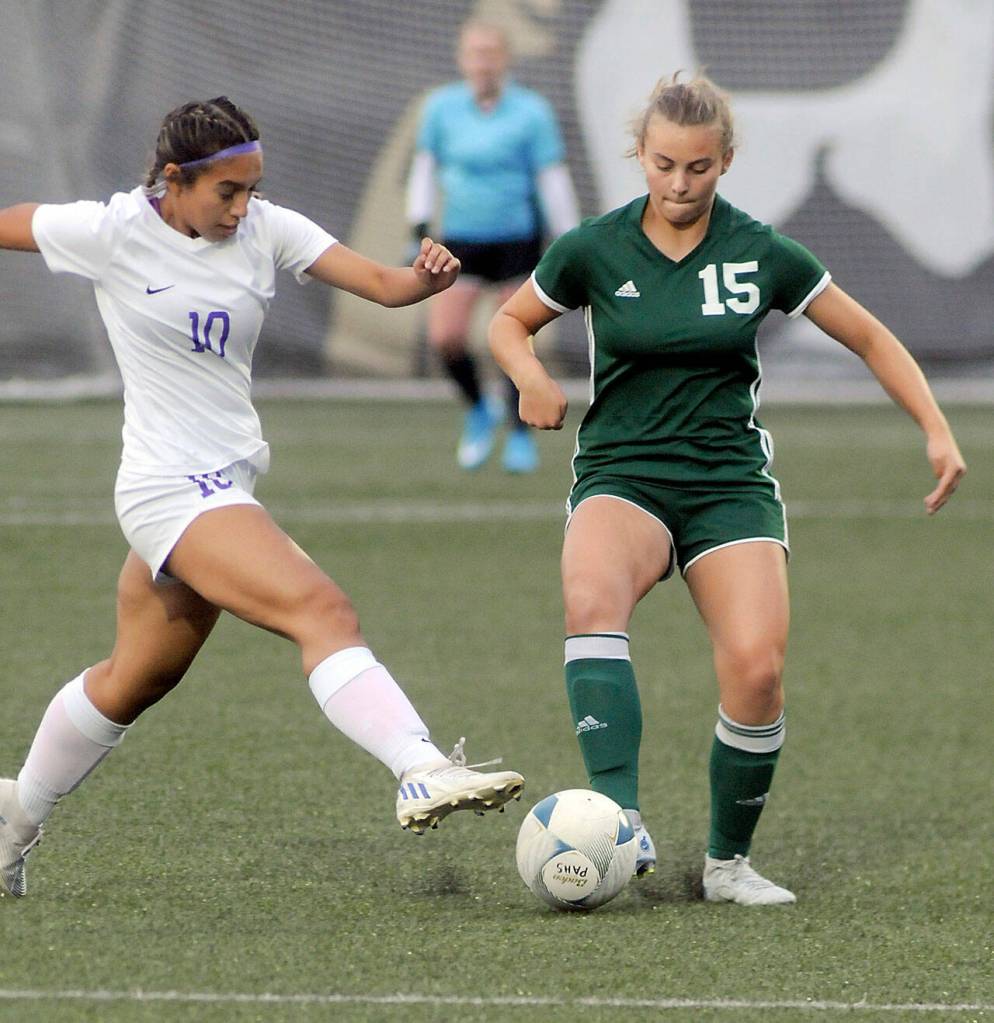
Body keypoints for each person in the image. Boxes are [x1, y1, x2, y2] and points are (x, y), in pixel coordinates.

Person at [0, 97, 525, 900]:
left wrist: (427, 279)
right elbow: (12, 222)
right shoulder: (110, 231)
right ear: (174, 180)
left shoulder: (265, 228)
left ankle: (12, 819)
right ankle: (419, 765)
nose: (244, 207)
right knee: (322, 609)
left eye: (253, 188)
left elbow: (383, 286)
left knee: (133, 678)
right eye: (228, 193)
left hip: (224, 483)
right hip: (169, 489)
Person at [488, 74, 966, 905]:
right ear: (639, 155)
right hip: (623, 471)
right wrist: (528, 372)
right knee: (589, 595)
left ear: (726, 161)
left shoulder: (761, 251)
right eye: (665, 164)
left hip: (726, 482)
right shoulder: (593, 246)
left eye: (699, 168)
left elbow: (868, 334)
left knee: (755, 669)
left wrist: (935, 426)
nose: (679, 184)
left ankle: (726, 864)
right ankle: (620, 818)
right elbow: (507, 320)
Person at [406, 19, 579, 473]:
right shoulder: (442, 108)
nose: (482, 62)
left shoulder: (531, 112)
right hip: (461, 241)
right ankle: (479, 409)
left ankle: (521, 435)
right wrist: (419, 226)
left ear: (505, 59)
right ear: (462, 58)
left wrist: (571, 239)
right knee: (445, 337)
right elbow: (425, 168)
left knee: (514, 340)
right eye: (474, 52)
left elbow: (552, 178)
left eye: (491, 52)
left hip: (517, 243)